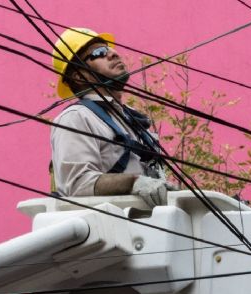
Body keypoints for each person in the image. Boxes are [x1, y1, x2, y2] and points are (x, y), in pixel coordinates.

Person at [50, 28, 176, 207]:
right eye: (99, 52)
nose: (113, 54)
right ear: (79, 76)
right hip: (111, 229)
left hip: (149, 226)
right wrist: (133, 183)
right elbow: (77, 183)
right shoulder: (76, 118)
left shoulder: (130, 119)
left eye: (110, 49)